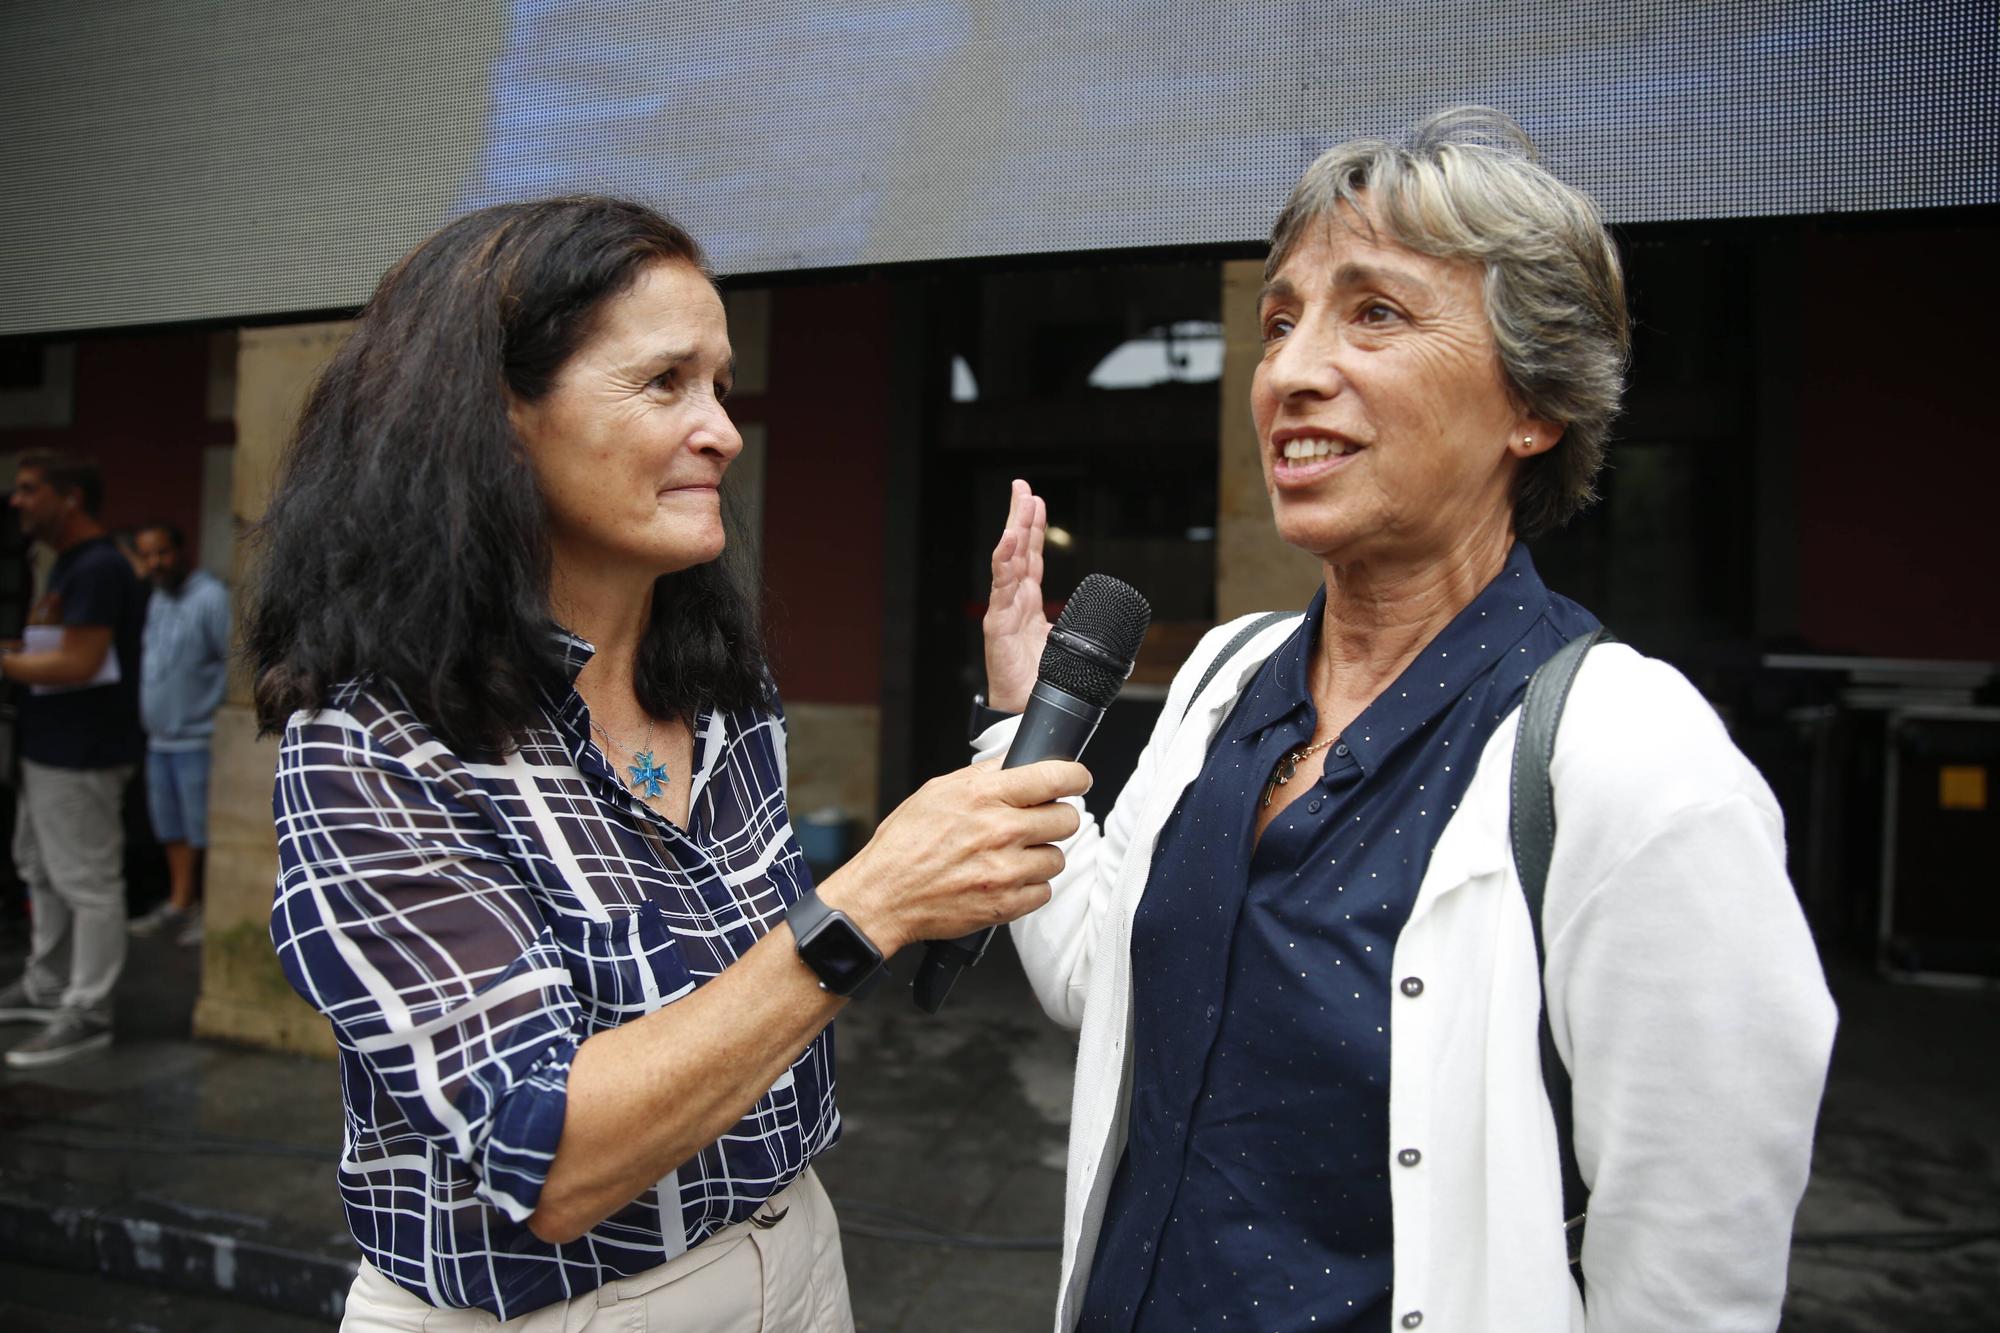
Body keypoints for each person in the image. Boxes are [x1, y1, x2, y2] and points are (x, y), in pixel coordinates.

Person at [980, 109, 1837, 1332]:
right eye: (1280, 320)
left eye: (1372, 313)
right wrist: (1024, 717)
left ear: (1531, 404)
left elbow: (1692, 1276)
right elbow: (1097, 982)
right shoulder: (1230, 675)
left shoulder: (1633, 763)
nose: (1288, 369)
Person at [249, 196, 1088, 1330]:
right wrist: (869, 898)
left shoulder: (719, 687)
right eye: (662, 384)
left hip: (794, 1252)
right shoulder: (373, 740)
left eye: (721, 385)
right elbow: (549, 1158)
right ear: (495, 419)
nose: (723, 430)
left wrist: (1001, 740)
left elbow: (759, 992)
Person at [0, 452, 147, 1068]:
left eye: (30, 489)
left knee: (86, 881)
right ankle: (49, 980)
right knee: (39, 866)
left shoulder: (98, 567)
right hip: (48, 744)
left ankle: (87, 1009)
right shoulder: (67, 567)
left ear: (70, 499)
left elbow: (78, 664)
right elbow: (54, 649)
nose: (16, 500)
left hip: (82, 752)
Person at [128, 522, 231, 946]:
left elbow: (232, 662)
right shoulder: (157, 599)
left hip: (197, 739)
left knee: (200, 829)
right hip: (159, 740)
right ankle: (179, 901)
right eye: (147, 555)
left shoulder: (211, 599)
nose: (155, 563)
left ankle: (208, 908)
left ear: (181, 551)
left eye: (162, 553)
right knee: (171, 829)